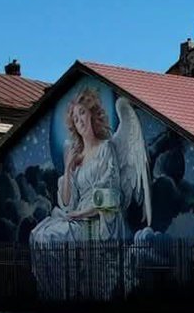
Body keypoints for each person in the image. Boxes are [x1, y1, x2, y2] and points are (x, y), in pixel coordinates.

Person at [30, 88, 125, 247]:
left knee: (52, 236)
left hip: (96, 221)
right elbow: (67, 203)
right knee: (39, 234)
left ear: (92, 114)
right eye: (75, 118)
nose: (79, 120)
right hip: (77, 217)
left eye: (82, 113)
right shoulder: (76, 156)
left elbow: (112, 196)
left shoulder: (106, 148)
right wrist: (67, 169)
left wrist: (80, 214)